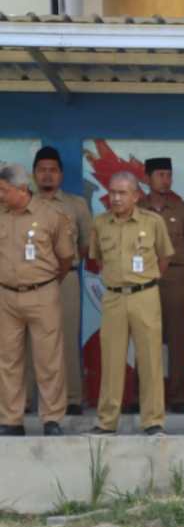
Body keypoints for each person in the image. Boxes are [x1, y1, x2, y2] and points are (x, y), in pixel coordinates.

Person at [85, 172, 173, 436]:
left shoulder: (153, 222)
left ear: (136, 196)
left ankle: (153, 421)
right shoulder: (100, 223)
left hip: (145, 295)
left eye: (122, 193)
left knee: (150, 359)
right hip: (113, 297)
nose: (116, 198)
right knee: (111, 360)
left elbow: (164, 258)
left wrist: (145, 279)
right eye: (112, 192)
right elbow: (98, 260)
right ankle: (106, 421)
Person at [0, 163, 74, 436]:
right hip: (6, 296)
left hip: (43, 293)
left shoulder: (51, 215)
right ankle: (11, 419)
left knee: (49, 359)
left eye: (4, 190)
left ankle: (52, 418)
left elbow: (66, 257)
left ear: (21, 189)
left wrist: (48, 282)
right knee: (8, 360)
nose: (0, 195)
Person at [30, 146, 92, 416]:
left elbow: (86, 244)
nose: (47, 175)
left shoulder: (75, 205)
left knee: (66, 335)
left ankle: (72, 398)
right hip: (30, 282)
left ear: (61, 175)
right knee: (27, 340)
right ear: (34, 174)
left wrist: (61, 265)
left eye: (53, 170)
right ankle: (28, 400)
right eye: (42, 170)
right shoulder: (23, 204)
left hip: (65, 279)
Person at [139, 157, 184, 414]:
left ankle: (177, 396)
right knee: (143, 337)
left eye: (168, 174)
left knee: (176, 337)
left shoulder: (183, 209)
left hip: (174, 277)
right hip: (142, 278)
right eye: (160, 174)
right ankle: (142, 396)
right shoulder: (136, 207)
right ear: (147, 178)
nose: (165, 179)